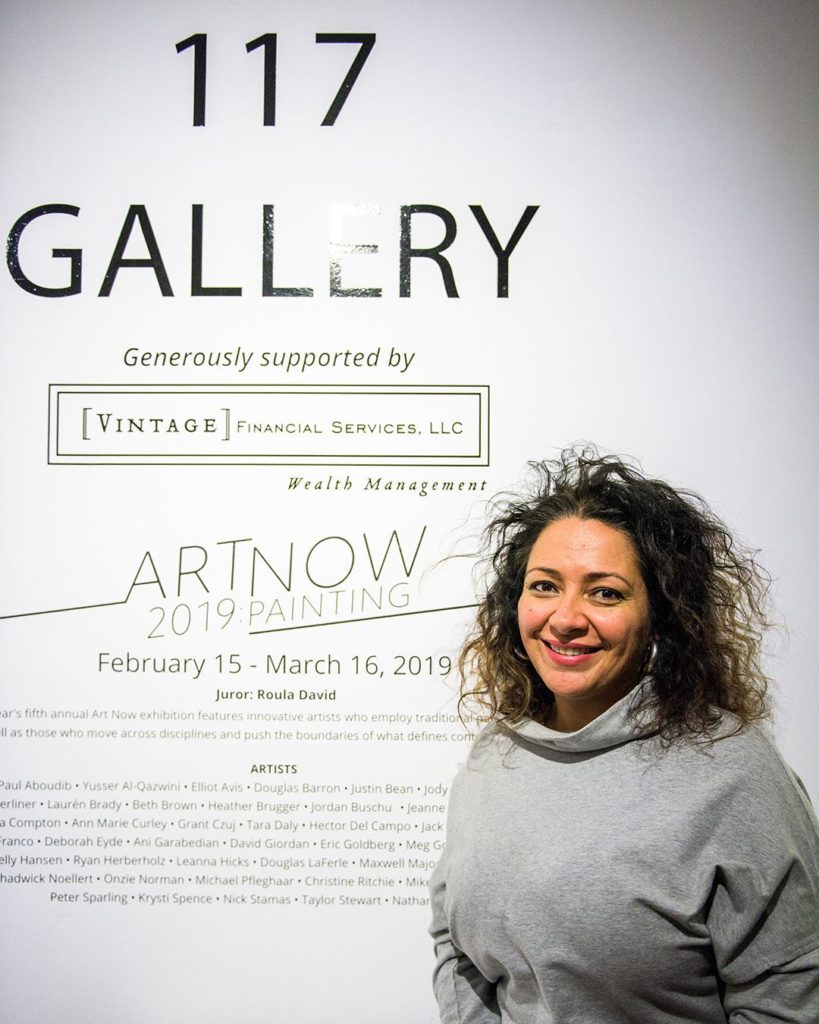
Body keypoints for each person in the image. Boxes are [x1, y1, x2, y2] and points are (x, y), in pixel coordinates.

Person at [429, 448, 819, 1024]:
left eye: (604, 592)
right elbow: (455, 945)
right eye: (544, 586)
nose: (565, 617)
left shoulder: (734, 773)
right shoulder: (499, 748)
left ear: (662, 614)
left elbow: (788, 997)